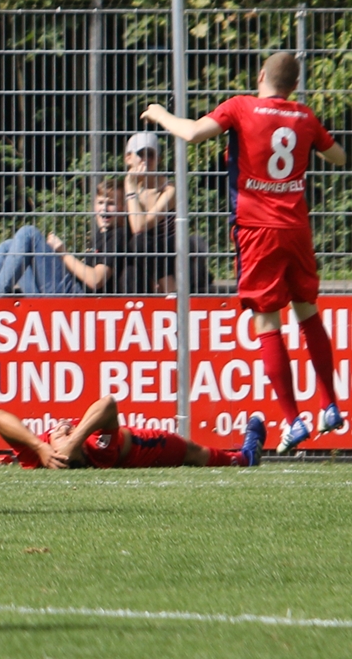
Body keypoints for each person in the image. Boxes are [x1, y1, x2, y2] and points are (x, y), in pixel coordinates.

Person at [142, 52, 347, 453]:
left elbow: (193, 134)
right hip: (297, 229)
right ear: (293, 85)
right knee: (308, 313)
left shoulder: (241, 106)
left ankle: (293, 421)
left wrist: (161, 115)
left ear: (260, 77)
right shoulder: (304, 117)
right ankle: (331, 406)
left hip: (257, 231)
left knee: (267, 323)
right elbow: (338, 156)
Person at [0, 395, 264, 469]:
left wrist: (41, 447)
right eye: (65, 437)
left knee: (195, 453)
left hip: (111, 442)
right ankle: (244, 458)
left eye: (62, 435)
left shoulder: (41, 452)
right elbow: (108, 404)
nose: (64, 430)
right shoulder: (98, 449)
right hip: (147, 448)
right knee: (194, 453)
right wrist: (76, 441)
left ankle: (242, 457)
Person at [0, 178, 130, 295]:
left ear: (123, 207)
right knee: (9, 246)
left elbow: (95, 279)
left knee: (29, 233)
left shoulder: (118, 235)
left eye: (111, 203)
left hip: (77, 299)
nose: (104, 208)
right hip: (65, 292)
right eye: (100, 202)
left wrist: (63, 253)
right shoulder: (100, 234)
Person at [122, 132, 177, 294]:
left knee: (141, 241)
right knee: (129, 271)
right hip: (136, 261)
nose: (145, 160)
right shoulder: (119, 189)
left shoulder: (168, 189)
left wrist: (131, 190)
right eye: (140, 154)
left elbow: (139, 227)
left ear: (158, 159)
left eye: (150, 155)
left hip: (165, 255)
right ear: (128, 158)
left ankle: (170, 291)